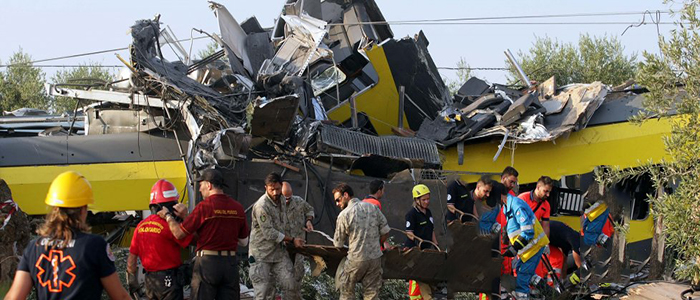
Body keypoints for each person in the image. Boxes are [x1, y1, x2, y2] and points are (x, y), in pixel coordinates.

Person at [4, 171, 130, 300]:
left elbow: (14, 297)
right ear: (83, 209)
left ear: (54, 209)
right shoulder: (94, 246)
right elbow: (120, 296)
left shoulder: (34, 248)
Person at [158, 168, 249, 300]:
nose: (199, 189)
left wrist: (167, 216)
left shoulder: (204, 207)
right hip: (230, 265)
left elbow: (178, 233)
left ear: (209, 185)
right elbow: (244, 241)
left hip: (207, 265)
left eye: (200, 185)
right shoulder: (237, 207)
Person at [127, 179, 194, 300]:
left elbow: (131, 259)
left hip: (150, 282)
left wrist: (132, 281)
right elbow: (194, 240)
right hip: (169, 282)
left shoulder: (140, 226)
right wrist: (185, 217)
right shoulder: (171, 227)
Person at [248, 173, 302, 300]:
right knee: (264, 291)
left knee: (290, 284)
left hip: (278, 252)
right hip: (261, 255)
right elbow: (269, 233)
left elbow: (283, 223)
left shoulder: (282, 200)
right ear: (266, 188)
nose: (275, 192)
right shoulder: (262, 206)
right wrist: (292, 240)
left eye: (277, 189)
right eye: (271, 189)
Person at [333, 183, 390, 300]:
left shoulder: (344, 215)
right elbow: (385, 231)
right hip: (375, 259)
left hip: (356, 259)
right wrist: (377, 244)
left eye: (338, 200)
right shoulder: (372, 207)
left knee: (346, 292)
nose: (337, 204)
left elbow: (338, 243)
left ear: (346, 195)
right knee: (372, 294)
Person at [497, 182, 550, 300]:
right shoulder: (507, 206)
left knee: (522, 277)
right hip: (528, 249)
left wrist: (514, 248)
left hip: (533, 247)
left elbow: (528, 231)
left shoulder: (516, 204)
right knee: (525, 273)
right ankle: (552, 294)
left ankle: (523, 297)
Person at [405, 184, 439, 300]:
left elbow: (432, 230)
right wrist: (419, 242)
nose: (427, 202)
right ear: (416, 200)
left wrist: (436, 246)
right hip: (415, 250)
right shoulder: (411, 214)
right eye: (424, 199)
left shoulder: (428, 213)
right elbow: (409, 233)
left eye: (428, 199)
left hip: (426, 250)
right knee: (418, 276)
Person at [281, 182, 314, 300]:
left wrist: (309, 220)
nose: (287, 201)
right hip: (284, 245)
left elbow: (309, 209)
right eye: (284, 198)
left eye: (289, 198)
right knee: (286, 275)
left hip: (299, 244)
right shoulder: (274, 205)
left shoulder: (299, 201)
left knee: (298, 272)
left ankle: (296, 296)